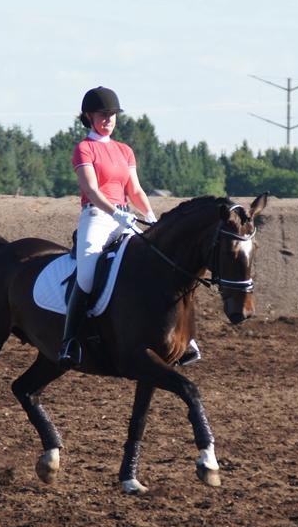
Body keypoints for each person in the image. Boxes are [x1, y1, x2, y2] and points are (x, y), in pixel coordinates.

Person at [58, 86, 202, 368]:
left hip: (125, 217)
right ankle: (69, 341)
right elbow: (90, 187)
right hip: (97, 219)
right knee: (86, 276)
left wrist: (149, 215)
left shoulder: (124, 151)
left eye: (112, 114)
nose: (108, 119)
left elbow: (134, 189)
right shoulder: (84, 149)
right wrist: (115, 213)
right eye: (103, 114)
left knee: (162, 265)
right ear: (89, 116)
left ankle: (185, 339)